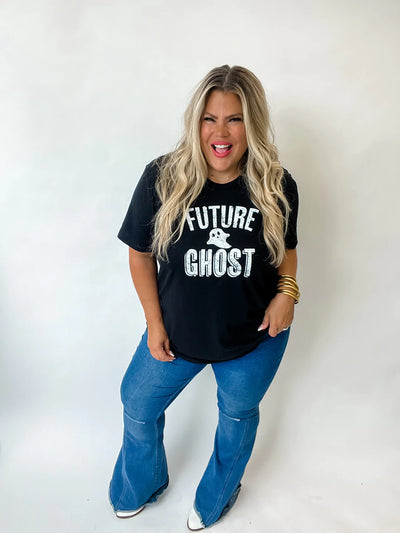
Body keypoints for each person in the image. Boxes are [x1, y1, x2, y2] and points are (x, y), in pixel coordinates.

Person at [108, 64, 300, 530]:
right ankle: (143, 481)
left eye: (234, 119)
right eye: (209, 119)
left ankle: (218, 494)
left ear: (252, 125)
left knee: (236, 418)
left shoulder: (276, 184)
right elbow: (140, 254)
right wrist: (154, 323)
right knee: (137, 402)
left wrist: (287, 293)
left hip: (254, 339)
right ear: (195, 123)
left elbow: (287, 251)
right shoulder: (162, 177)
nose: (221, 133)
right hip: (177, 336)